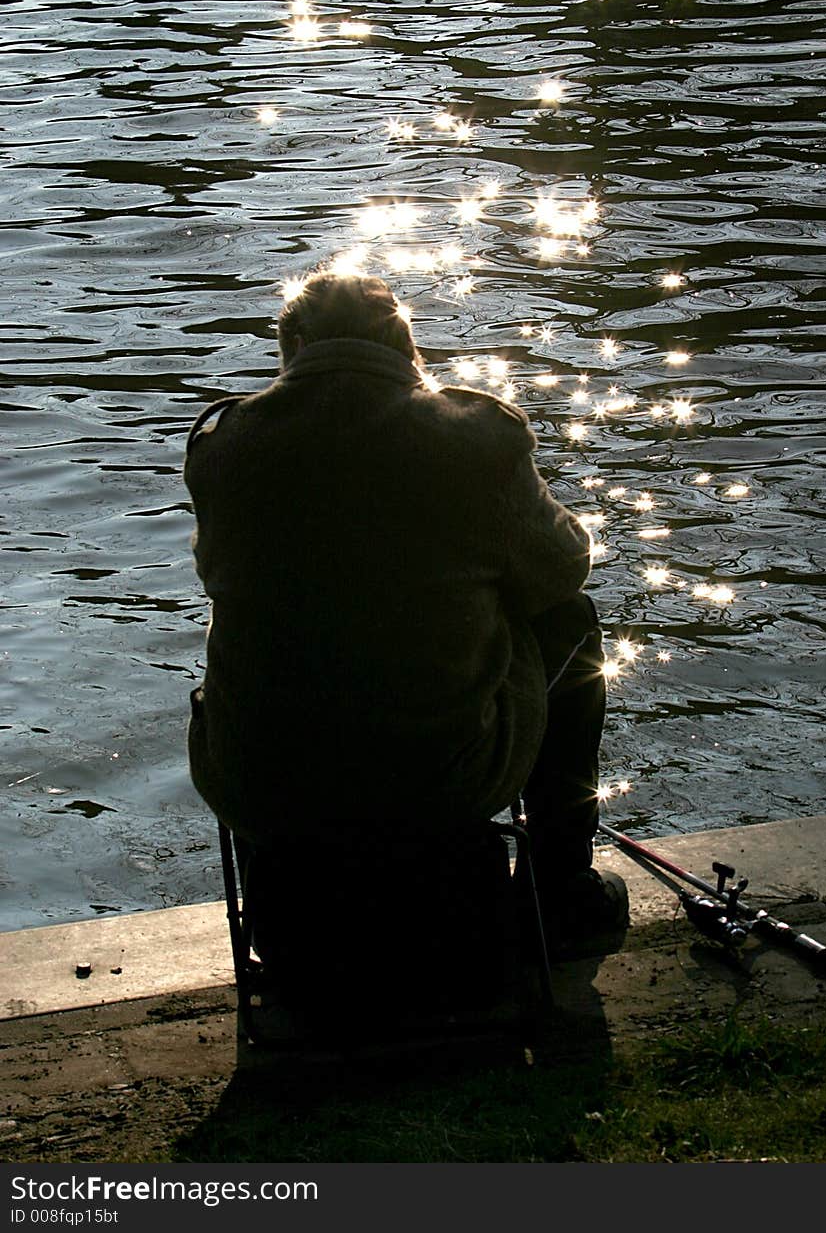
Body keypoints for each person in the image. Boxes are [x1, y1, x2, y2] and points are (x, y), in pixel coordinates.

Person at [184, 272, 627, 961]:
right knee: (568, 621)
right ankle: (559, 886)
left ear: (292, 344)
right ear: (405, 340)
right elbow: (563, 567)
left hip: (260, 782)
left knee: (258, 631)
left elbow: (221, 575)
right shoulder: (477, 434)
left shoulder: (224, 445)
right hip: (441, 779)